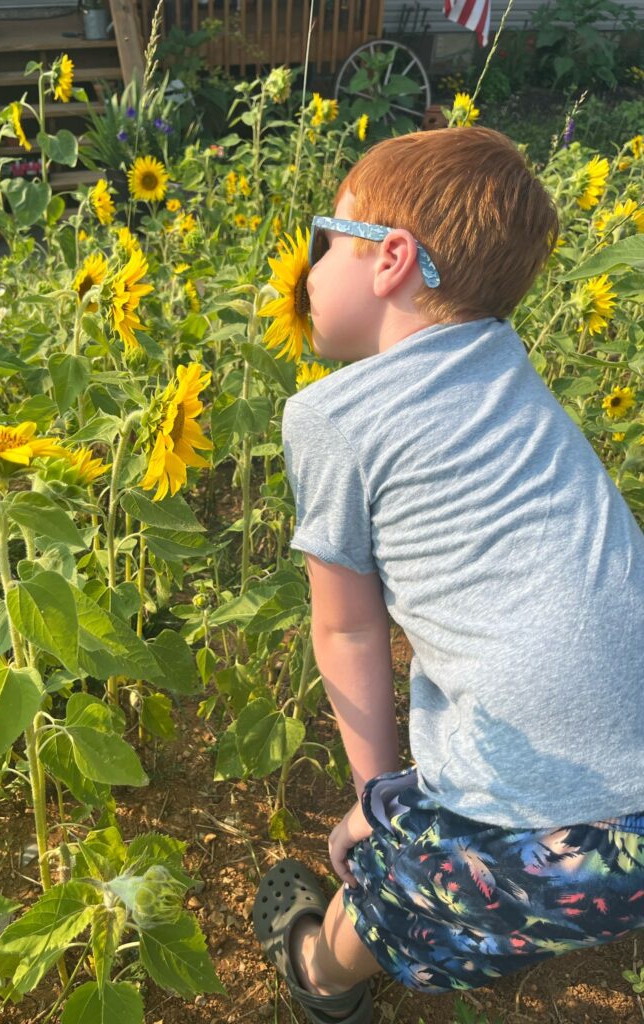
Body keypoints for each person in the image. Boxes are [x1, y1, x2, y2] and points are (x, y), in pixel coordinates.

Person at [251, 126, 644, 1024]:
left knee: (383, 890)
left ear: (390, 259)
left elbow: (348, 628)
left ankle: (320, 975)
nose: (306, 271)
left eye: (323, 241)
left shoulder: (331, 416)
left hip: (536, 833)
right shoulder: (506, 362)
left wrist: (377, 803)